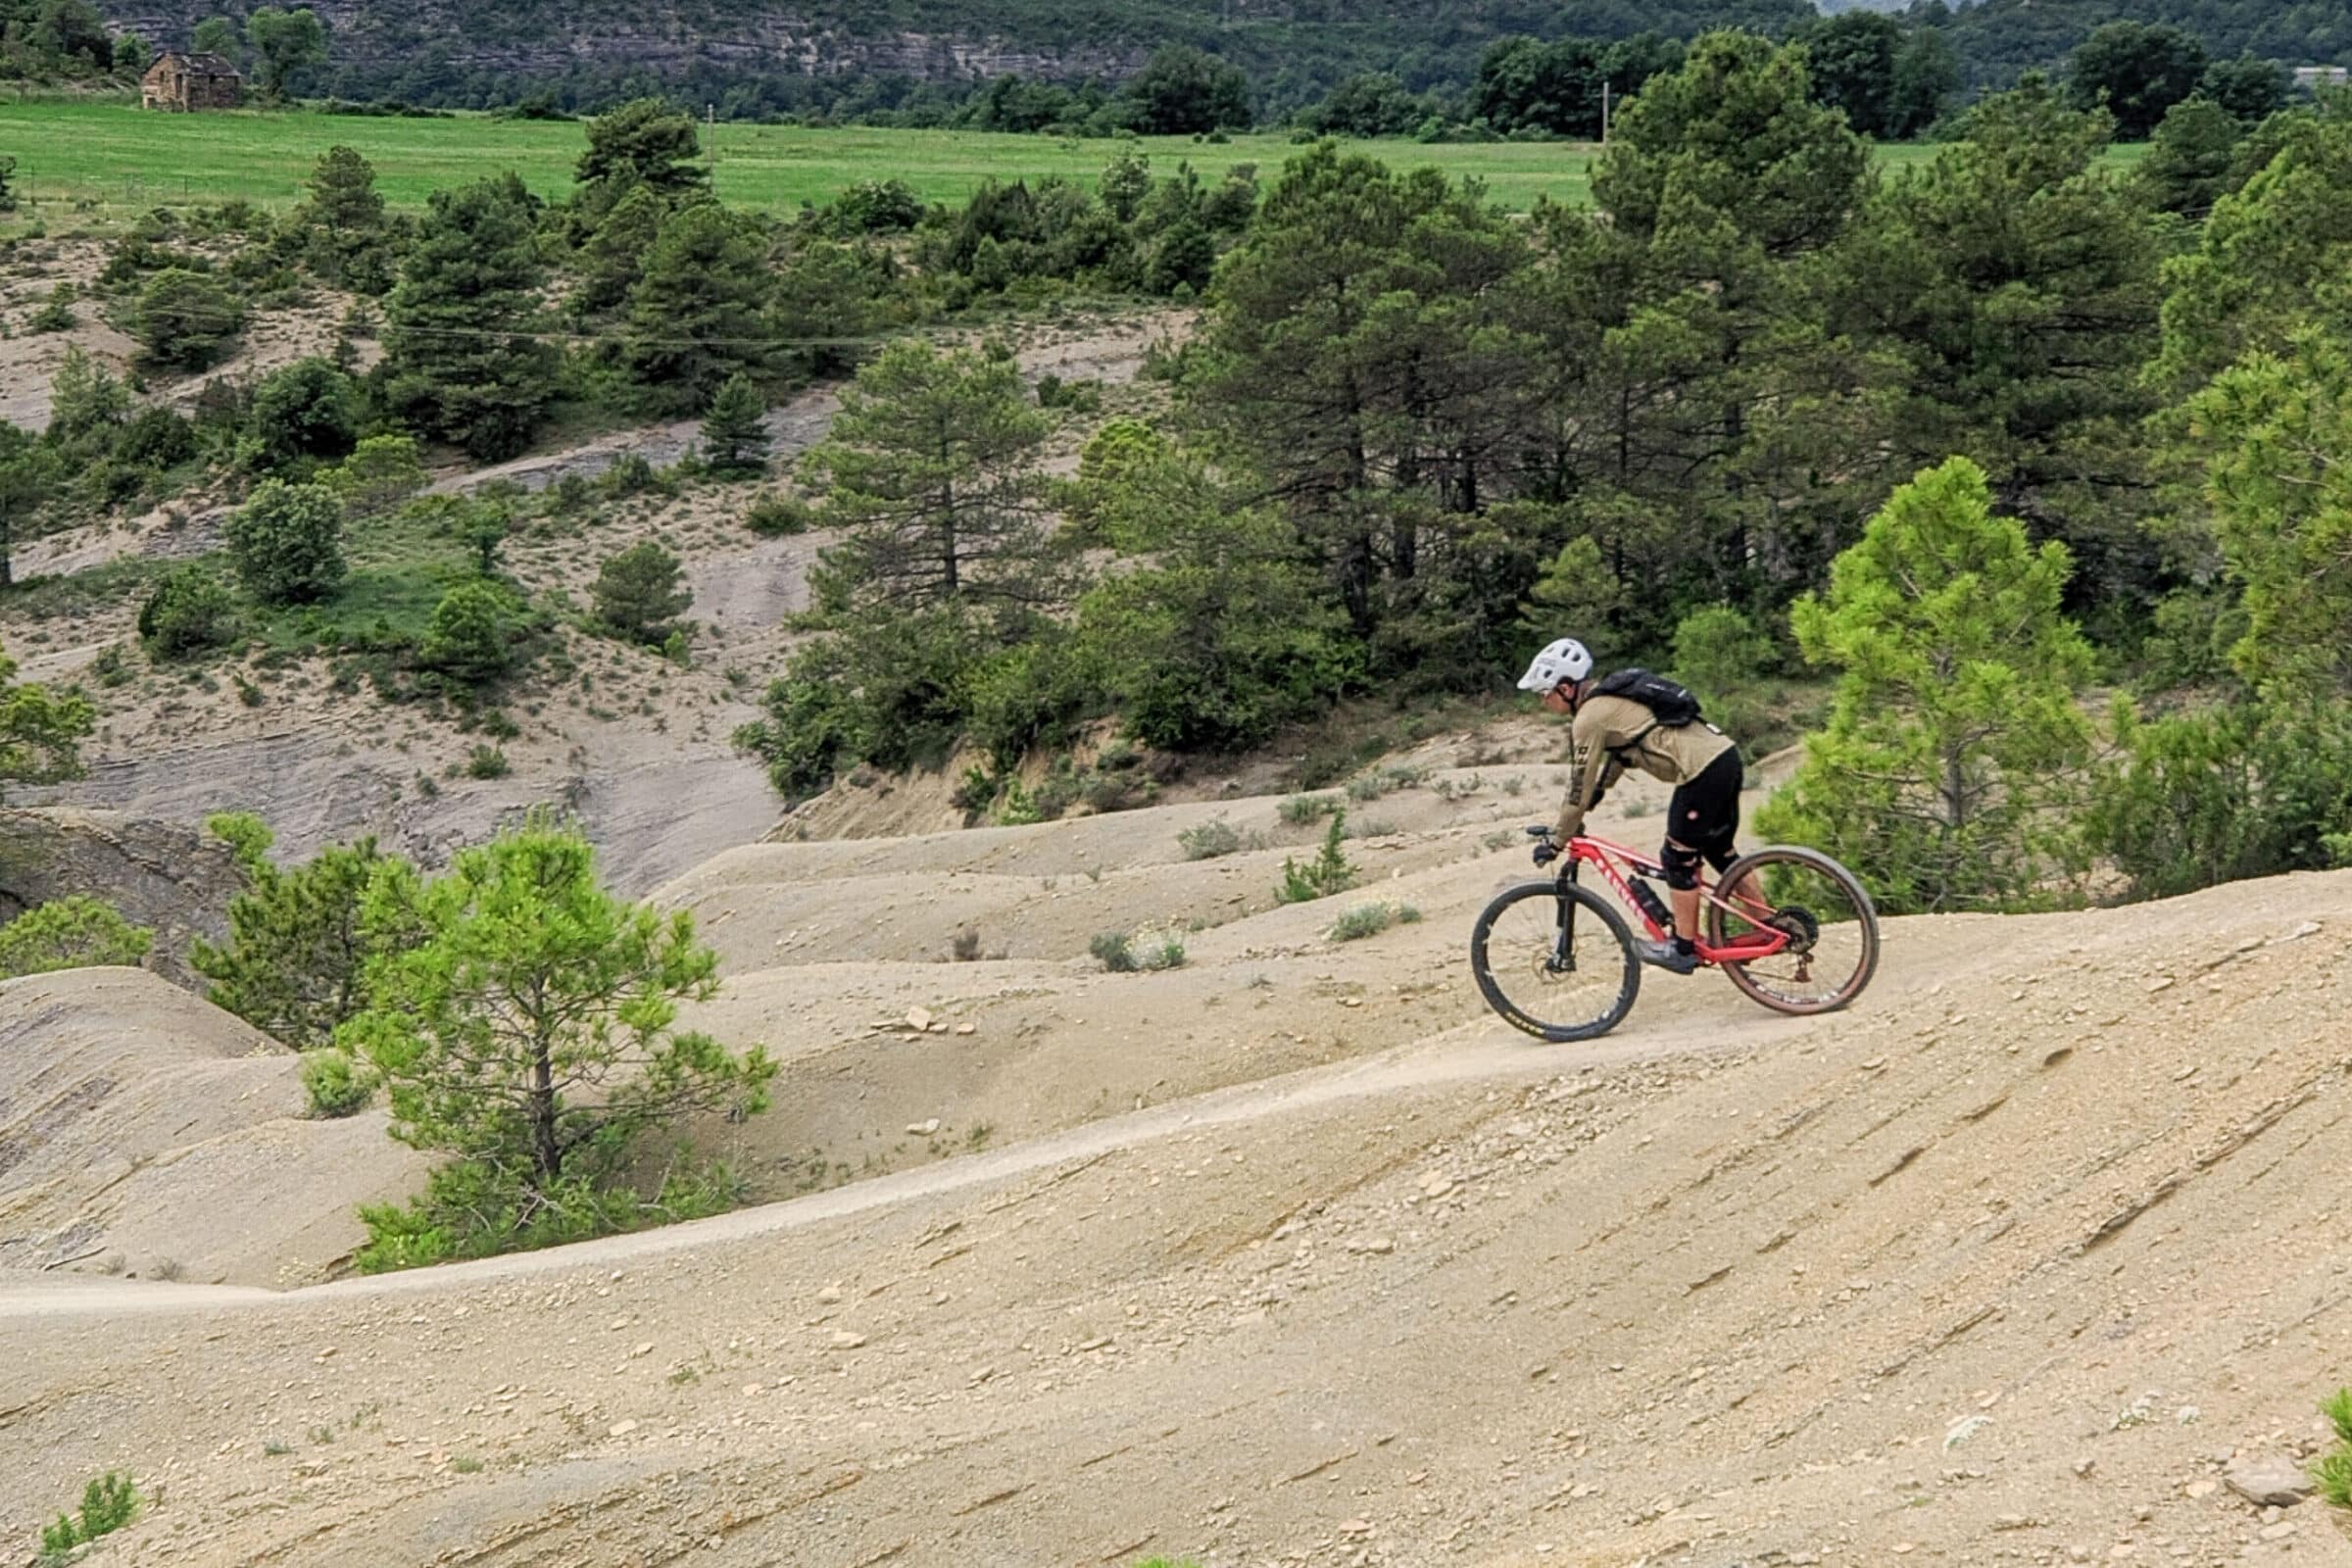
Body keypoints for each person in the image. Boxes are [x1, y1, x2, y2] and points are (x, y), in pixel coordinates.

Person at [1517, 636, 1744, 975]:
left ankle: (1682, 949)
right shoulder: (1610, 700)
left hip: (1702, 772)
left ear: (1565, 688)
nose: (1543, 701)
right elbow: (1618, 759)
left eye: (1545, 693)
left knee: (1676, 858)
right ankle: (1774, 923)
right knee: (1720, 853)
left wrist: (1557, 840)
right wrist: (1593, 800)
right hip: (1725, 758)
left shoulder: (1589, 718)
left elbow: (1578, 785)